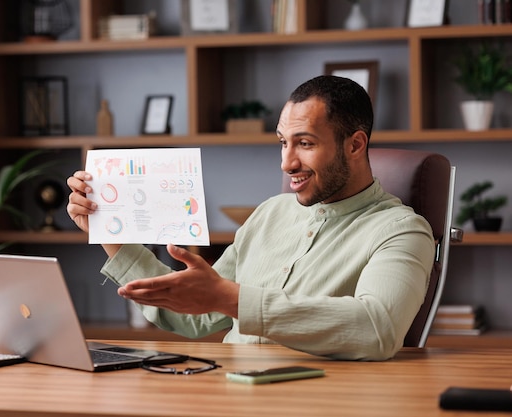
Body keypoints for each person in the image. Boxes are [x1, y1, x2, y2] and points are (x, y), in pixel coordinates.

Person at [66, 75, 435, 361]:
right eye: (282, 142)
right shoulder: (270, 214)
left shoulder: (403, 231)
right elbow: (196, 318)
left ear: (355, 145)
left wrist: (234, 300)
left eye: (305, 144)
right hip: (228, 394)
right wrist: (107, 229)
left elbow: (377, 328)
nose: (287, 162)